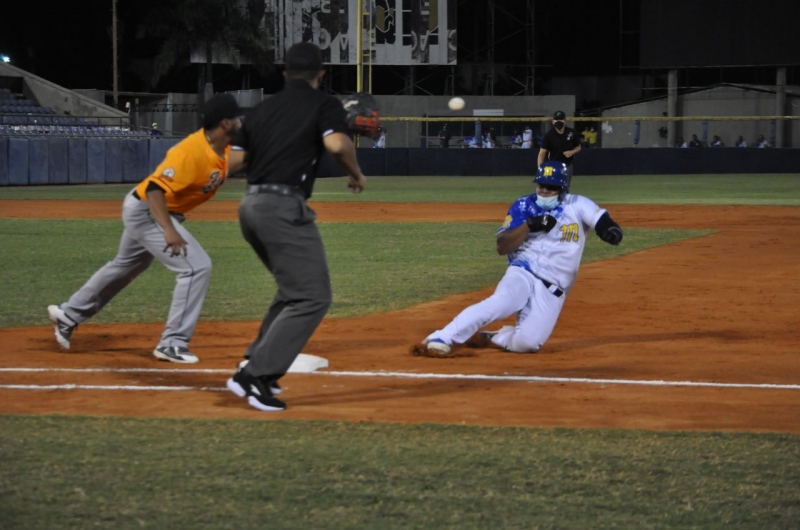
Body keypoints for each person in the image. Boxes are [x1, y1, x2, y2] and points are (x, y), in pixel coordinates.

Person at [47, 94, 243, 363]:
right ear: (225, 123)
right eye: (236, 117)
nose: (241, 121)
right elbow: (154, 190)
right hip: (149, 210)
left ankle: (68, 315)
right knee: (196, 267)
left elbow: (238, 160)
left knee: (125, 266)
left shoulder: (224, 147)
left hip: (151, 210)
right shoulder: (190, 152)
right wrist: (168, 230)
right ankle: (172, 343)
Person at [225, 42, 367, 412]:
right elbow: (337, 143)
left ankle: (255, 363)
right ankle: (255, 376)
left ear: (285, 74)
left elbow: (234, 164)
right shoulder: (323, 104)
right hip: (282, 206)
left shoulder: (261, 109)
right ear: (320, 75)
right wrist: (355, 173)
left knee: (294, 290)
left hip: (250, 205)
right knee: (313, 295)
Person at [418, 161, 623, 356]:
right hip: (523, 272)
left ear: (563, 189)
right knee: (500, 303)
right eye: (542, 185)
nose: (544, 191)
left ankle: (497, 337)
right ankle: (442, 337)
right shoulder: (523, 205)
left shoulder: (577, 205)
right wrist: (529, 225)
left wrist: (611, 230)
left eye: (551, 187)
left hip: (553, 290)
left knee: (527, 344)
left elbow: (603, 221)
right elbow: (502, 246)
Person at [538, 111, 581, 184]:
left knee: (565, 189)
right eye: (556, 120)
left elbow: (578, 147)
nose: (558, 121)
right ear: (553, 121)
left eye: (561, 119)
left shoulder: (572, 133)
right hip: (552, 166)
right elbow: (542, 154)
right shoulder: (549, 135)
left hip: (567, 166)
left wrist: (572, 152)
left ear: (565, 121)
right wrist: (540, 169)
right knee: (553, 190)